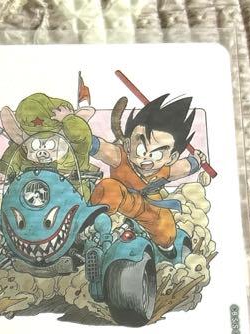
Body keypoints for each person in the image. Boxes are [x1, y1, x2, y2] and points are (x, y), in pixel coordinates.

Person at [89, 93, 211, 255]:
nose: (146, 157)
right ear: (128, 145)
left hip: (149, 204)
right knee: (108, 188)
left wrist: (196, 160)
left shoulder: (166, 169)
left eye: (157, 153)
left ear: (171, 157)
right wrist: (81, 135)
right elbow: (100, 148)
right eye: (141, 149)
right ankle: (94, 229)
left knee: (166, 231)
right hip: (121, 197)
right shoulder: (120, 156)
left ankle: (165, 249)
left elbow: (185, 167)